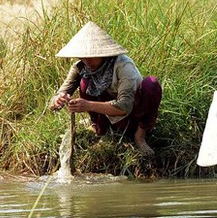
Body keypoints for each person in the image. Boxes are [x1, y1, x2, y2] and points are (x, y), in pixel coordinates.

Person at [49, 22, 162, 156]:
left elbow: (125, 106)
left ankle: (140, 136)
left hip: (132, 116)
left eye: (91, 56)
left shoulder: (123, 66)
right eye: (83, 57)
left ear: (104, 54)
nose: (87, 61)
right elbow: (60, 95)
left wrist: (88, 105)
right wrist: (58, 99)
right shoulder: (81, 67)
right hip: (108, 116)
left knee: (152, 84)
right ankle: (101, 129)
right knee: (85, 82)